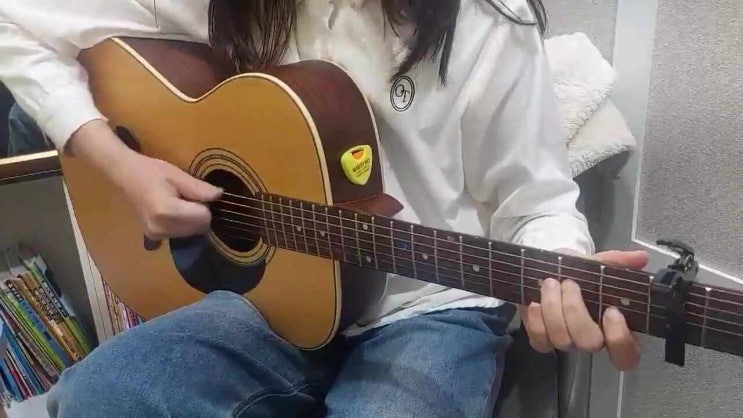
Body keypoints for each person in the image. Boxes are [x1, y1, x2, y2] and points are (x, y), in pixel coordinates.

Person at [0, 1, 647, 416]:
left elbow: (535, 204)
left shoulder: (488, 22)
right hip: (271, 302)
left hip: (430, 305)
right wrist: (122, 164)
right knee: (99, 396)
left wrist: (562, 271)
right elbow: (15, 22)